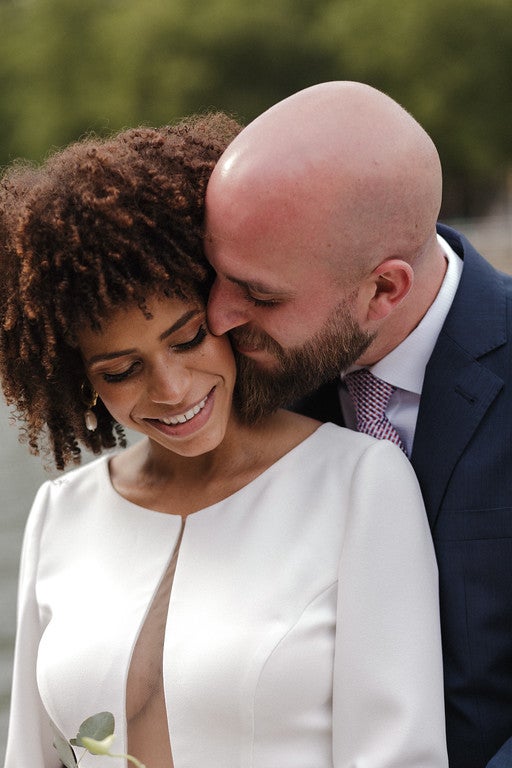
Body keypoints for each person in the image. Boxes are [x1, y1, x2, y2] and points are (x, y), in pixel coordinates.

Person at [0, 116, 448, 768]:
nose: (174, 388)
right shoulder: (59, 515)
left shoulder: (360, 484)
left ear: (225, 304)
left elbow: (398, 755)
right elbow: (30, 755)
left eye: (188, 338)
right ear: (80, 381)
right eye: (122, 371)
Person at [204, 80, 512, 768]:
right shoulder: (237, 381)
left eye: (258, 295)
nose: (218, 317)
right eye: (213, 275)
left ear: (384, 290)